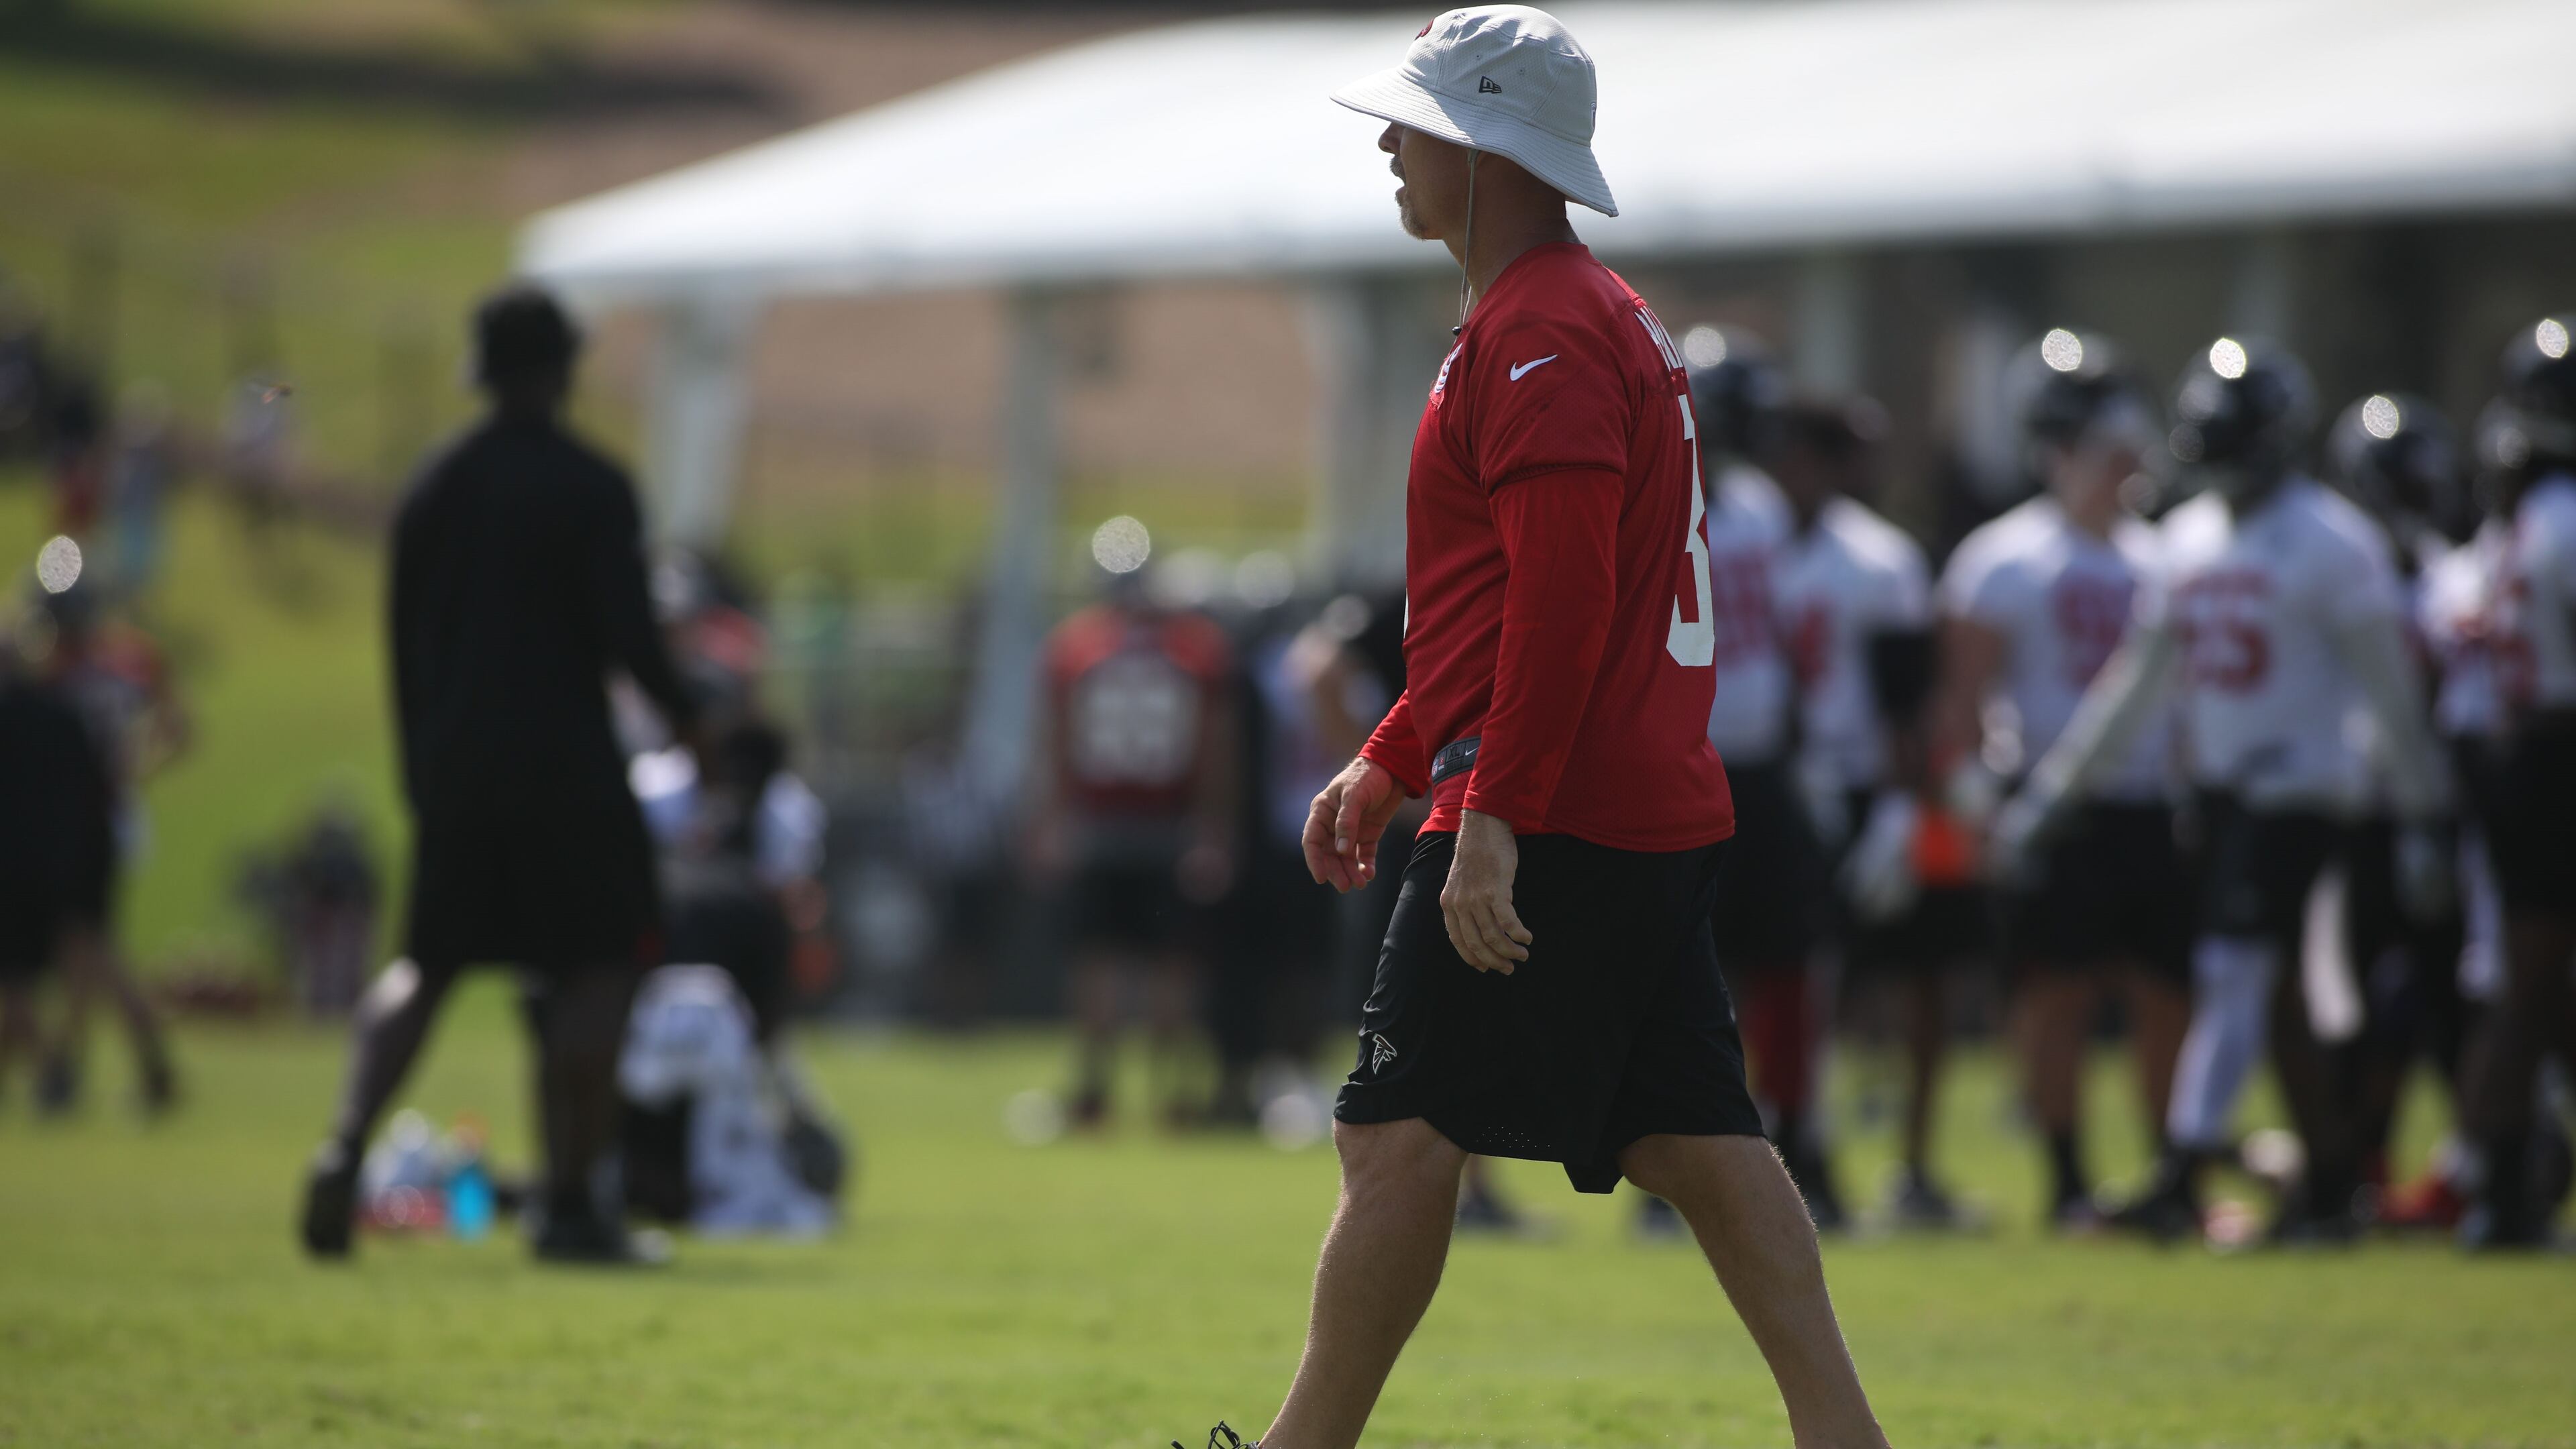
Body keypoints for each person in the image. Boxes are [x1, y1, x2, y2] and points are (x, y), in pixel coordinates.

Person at [1183, 12, 1888, 1447]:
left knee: (1394, 1130)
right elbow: (1504, 604)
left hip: (1557, 806)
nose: (1390, 144)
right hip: (1629, 795)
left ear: (1489, 146)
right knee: (1697, 1136)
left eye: (1416, 121)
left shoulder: (1546, 329)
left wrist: (1488, 811)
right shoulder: (1568, 314)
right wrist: (1392, 753)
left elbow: (1562, 603)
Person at [1992, 336, 2455, 1244]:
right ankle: (2329, 1182)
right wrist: (2057, 790)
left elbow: (2389, 695)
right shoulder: (2190, 540)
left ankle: (2182, 1169)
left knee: (2237, 974)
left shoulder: (2333, 541)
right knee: (2280, 1000)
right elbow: (2136, 684)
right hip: (2215, 797)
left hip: (2306, 793)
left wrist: (2426, 813)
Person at [299, 284, 701, 1265]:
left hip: (457, 769)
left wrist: (424, 771)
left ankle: (343, 1146)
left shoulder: (433, 488)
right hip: (569, 767)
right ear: (562, 369)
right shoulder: (591, 486)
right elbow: (629, 640)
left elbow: (403, 647)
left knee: (425, 967)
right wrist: (697, 720)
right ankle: (572, 1203)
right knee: (596, 974)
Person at [1935, 329, 2189, 1231]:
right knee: (2060, 993)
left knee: (2170, 993)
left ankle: (2171, 1171)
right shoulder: (2006, 557)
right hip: (2053, 799)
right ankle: (2069, 1178)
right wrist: (1974, 800)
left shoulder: (2166, 552)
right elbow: (1963, 698)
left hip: (2152, 797)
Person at [1768, 392, 1975, 1228]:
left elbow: (1908, 701)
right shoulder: (1744, 540)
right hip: (1782, 786)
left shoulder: (1880, 559)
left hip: (1867, 787)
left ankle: (1913, 1167)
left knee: (1924, 971)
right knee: (1793, 984)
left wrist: (1902, 809)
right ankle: (1797, 1153)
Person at [1670, 323, 1844, 1232]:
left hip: (1762, 767)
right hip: (1682, 764)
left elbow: (1785, 641)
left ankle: (1798, 1141)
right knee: (1684, 971)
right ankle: (1672, 1162)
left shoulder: (1764, 510)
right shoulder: (1651, 499)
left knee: (1786, 962)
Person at [2318, 390, 2480, 1224]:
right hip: (2360, 814)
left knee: (2454, 1002)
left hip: (2443, 812)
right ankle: (2359, 1165)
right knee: (2356, 1007)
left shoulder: (2458, 575)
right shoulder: (2340, 568)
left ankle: (2481, 1161)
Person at [1032, 539, 1236, 1130]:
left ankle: (1095, 1093)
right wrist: (1214, 823)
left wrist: (1048, 818)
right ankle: (1170, 1097)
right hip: (1170, 821)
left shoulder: (1074, 647)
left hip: (1099, 821)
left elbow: (1056, 741)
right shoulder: (1196, 649)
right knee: (1170, 963)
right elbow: (1216, 745)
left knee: (1099, 960)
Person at [2457, 313, 2576, 1249]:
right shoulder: (2560, 518)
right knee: (2532, 982)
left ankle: (2502, 1177)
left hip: (2519, 750)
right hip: (2553, 748)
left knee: (2529, 984)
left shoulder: (2520, 516)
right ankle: (2495, 1185)